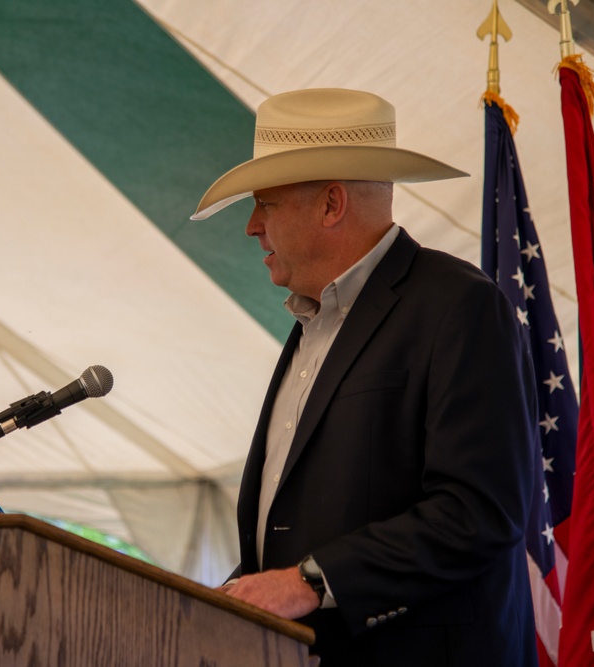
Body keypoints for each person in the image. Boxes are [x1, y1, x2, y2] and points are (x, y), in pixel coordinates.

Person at [192, 89, 539, 665]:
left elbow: (479, 510)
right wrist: (234, 595)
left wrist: (310, 582)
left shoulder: (458, 306)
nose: (251, 226)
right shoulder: (311, 328)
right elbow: (295, 529)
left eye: (266, 204)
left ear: (332, 204)